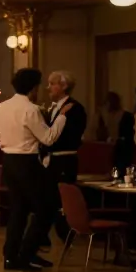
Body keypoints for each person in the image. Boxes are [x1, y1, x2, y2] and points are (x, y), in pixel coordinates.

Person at [0, 68, 69, 272]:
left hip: (9, 162)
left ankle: (10, 256)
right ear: (33, 88)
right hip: (27, 163)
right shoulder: (31, 109)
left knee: (18, 210)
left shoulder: (3, 107)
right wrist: (61, 118)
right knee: (46, 209)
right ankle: (26, 254)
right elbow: (48, 138)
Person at [42, 71, 87, 245]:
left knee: (60, 200)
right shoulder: (53, 107)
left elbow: (71, 137)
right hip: (51, 160)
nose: (48, 88)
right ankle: (58, 235)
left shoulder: (75, 108)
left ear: (64, 86)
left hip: (64, 160)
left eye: (52, 83)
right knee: (49, 199)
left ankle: (66, 234)